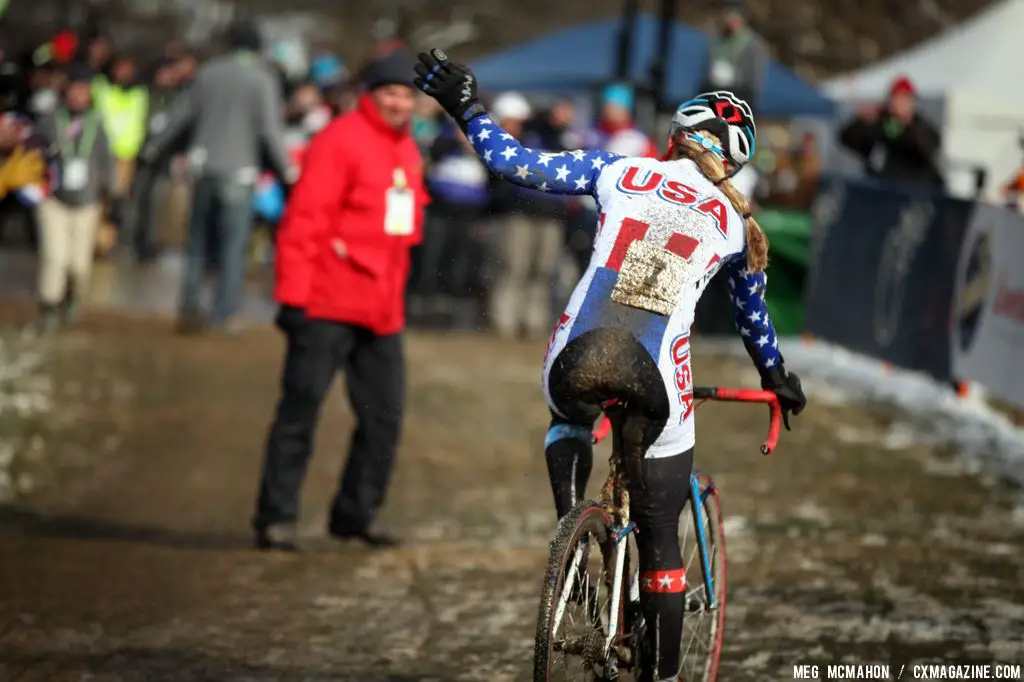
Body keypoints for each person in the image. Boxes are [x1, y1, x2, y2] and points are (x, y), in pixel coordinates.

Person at [415, 49, 807, 682]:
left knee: (569, 412)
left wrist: (467, 106)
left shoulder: (620, 169)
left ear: (676, 138)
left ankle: (572, 542)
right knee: (660, 544)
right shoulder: (738, 224)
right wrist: (776, 378)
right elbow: (753, 323)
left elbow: (510, 162)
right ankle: (663, 672)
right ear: (734, 163)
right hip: (656, 376)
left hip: (574, 354)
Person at [253, 49, 429, 551]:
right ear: (370, 96)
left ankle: (355, 514)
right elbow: (303, 222)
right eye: (390, 93)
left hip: (381, 309)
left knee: (385, 415)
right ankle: (275, 516)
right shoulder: (339, 140)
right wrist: (291, 297)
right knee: (300, 412)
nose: (399, 103)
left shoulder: (407, 149)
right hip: (325, 302)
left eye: (406, 96)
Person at [142, 20, 296, 335]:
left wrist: (153, 147)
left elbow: (181, 115)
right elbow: (269, 129)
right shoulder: (261, 79)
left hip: (204, 167)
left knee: (197, 243)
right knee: (232, 248)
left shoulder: (209, 72)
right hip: (239, 172)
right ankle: (222, 315)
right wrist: (288, 170)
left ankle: (189, 307)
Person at [34, 63, 117, 331]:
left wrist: (113, 199)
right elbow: (33, 154)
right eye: (76, 88)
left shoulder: (98, 126)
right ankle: (48, 305)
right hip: (54, 201)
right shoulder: (49, 122)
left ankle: (72, 299)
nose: (80, 95)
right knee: (55, 258)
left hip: (87, 203)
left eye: (85, 90)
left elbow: (109, 164)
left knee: (79, 266)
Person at [838, 76, 943, 188]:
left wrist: (907, 125)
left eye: (905, 99)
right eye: (897, 98)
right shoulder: (879, 124)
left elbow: (929, 148)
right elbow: (847, 138)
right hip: (882, 190)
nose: (901, 104)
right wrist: (863, 121)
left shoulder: (920, 126)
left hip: (914, 191)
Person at [699, 0, 769, 113]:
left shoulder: (752, 45)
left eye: (732, 15)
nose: (728, 19)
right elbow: (706, 70)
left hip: (738, 99)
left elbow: (754, 82)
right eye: (726, 14)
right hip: (714, 95)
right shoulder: (717, 41)